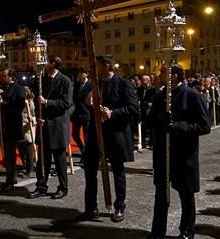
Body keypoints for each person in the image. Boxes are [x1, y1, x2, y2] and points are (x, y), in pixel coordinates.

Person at [142, 63, 210, 239]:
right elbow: (149, 123)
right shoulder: (159, 95)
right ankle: (157, 232)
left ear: (174, 76)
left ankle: (187, 230)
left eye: (163, 72)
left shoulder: (193, 95)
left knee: (186, 194)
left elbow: (204, 126)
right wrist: (157, 118)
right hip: (163, 152)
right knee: (161, 194)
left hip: (184, 153)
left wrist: (177, 126)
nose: (159, 75)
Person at [81, 56, 140, 222]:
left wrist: (113, 113)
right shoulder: (95, 83)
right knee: (90, 170)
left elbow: (133, 108)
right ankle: (91, 207)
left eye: (97, 66)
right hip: (95, 134)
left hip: (115, 134)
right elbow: (85, 100)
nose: (94, 69)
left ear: (107, 66)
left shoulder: (123, 83)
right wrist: (88, 102)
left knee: (117, 171)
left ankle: (119, 206)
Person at [27, 57, 74, 200]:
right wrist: (38, 115)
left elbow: (66, 103)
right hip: (44, 124)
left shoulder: (65, 80)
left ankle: (63, 187)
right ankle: (41, 186)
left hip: (58, 125)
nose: (43, 64)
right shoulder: (42, 79)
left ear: (54, 64)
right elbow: (35, 96)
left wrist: (47, 102)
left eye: (46, 61)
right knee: (43, 159)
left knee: (59, 160)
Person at [0, 68, 26, 191]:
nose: (2, 78)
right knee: (5, 155)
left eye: (4, 76)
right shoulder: (1, 88)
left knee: (10, 155)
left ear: (11, 77)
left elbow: (19, 106)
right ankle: (11, 177)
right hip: (1, 126)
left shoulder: (18, 89)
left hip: (11, 127)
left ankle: (10, 180)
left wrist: (4, 103)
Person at [71, 68, 91, 158]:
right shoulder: (76, 84)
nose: (80, 75)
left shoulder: (90, 84)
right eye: (79, 73)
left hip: (86, 114)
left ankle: (87, 156)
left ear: (86, 74)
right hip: (77, 114)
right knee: (74, 134)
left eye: (82, 73)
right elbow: (74, 98)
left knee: (87, 136)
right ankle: (83, 151)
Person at [20, 85, 37, 178]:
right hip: (20, 127)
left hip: (28, 127)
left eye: (26, 91)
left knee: (29, 149)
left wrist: (33, 119)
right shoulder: (20, 101)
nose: (25, 93)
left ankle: (30, 169)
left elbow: (35, 114)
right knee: (21, 148)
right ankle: (26, 166)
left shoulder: (31, 102)